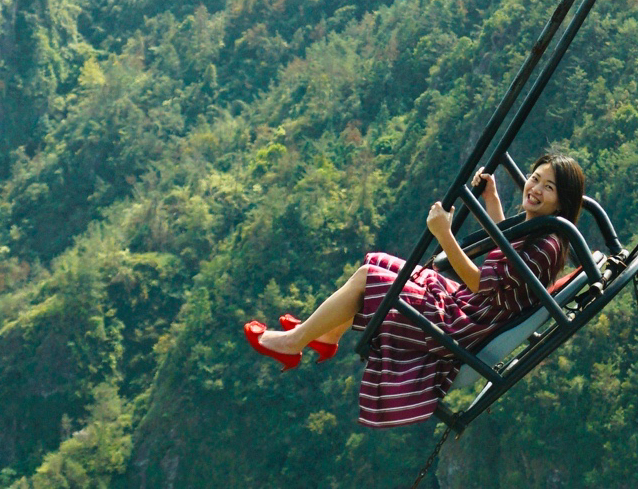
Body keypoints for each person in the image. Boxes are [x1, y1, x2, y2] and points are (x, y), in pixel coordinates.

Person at [244, 151, 586, 428]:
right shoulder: (543, 230)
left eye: (549, 187)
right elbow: (504, 251)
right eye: (535, 178)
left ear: (562, 201)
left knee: (369, 277)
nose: (535, 189)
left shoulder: (547, 244)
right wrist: (492, 199)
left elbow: (482, 282)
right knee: (378, 264)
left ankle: (294, 343)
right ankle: (324, 337)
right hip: (469, 307)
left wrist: (444, 234)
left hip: (464, 322)